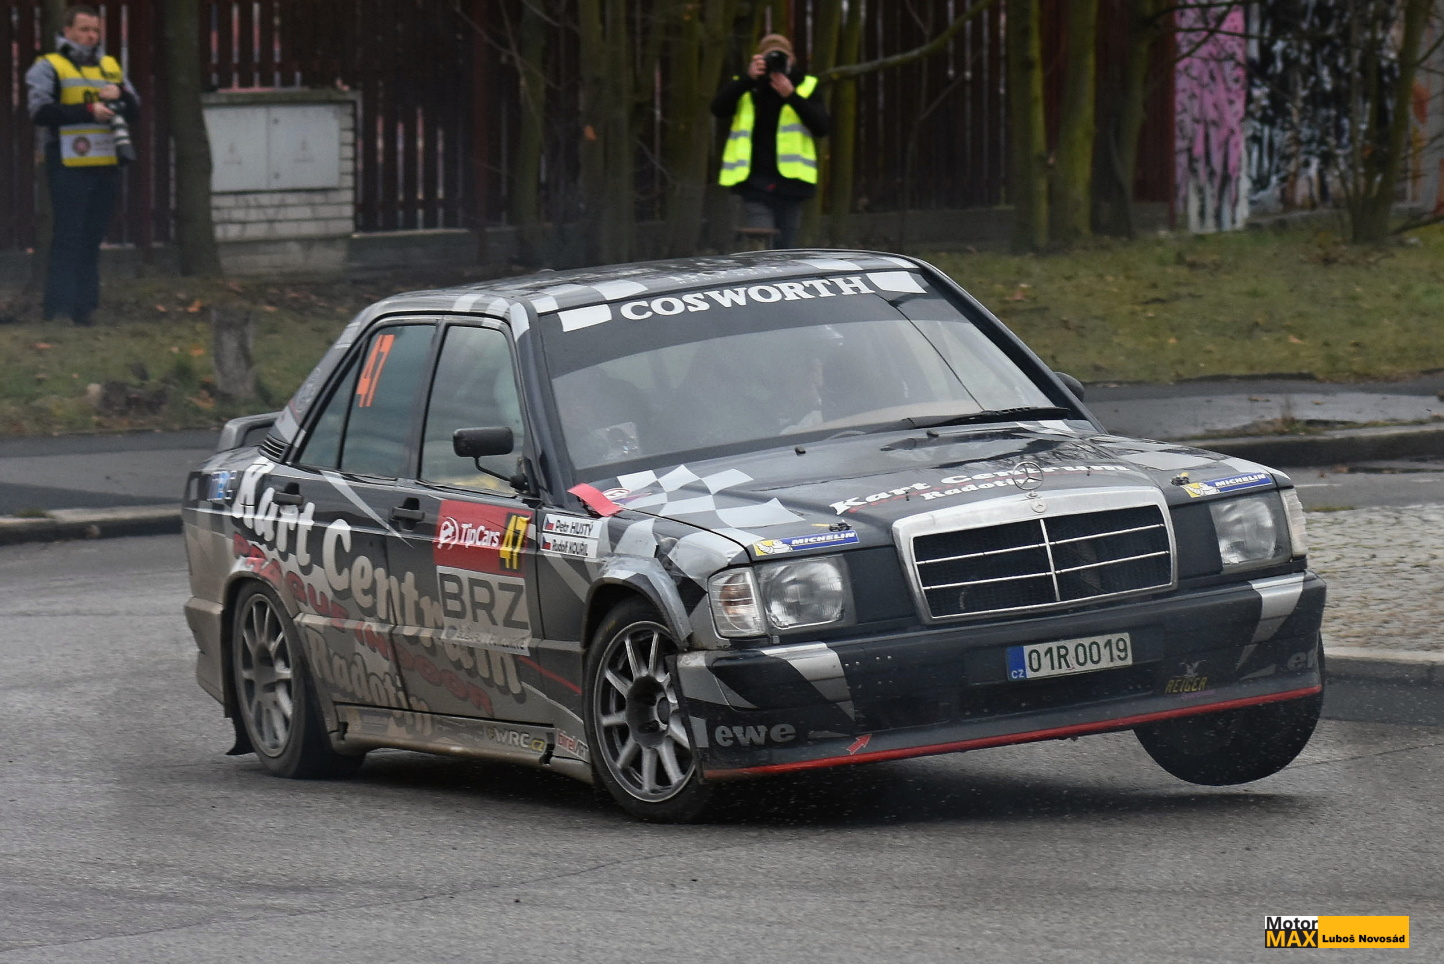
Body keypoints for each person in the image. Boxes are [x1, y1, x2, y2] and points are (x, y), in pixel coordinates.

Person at [26, 4, 140, 327]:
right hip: (67, 163)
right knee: (68, 236)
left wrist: (120, 94)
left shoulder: (110, 66)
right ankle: (59, 310)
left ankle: (85, 309)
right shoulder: (49, 66)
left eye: (95, 30)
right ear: (68, 31)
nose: (91, 36)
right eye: (84, 29)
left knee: (93, 238)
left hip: (105, 162)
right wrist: (89, 111)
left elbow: (135, 109)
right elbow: (41, 112)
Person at [711, 33, 829, 249]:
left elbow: (822, 127)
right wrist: (748, 78)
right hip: (754, 181)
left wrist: (791, 95)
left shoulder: (806, 85)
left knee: (786, 248)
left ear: (791, 59)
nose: (776, 63)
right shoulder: (747, 86)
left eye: (781, 58)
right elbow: (718, 109)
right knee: (760, 242)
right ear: (759, 60)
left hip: (792, 184)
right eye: (770, 58)